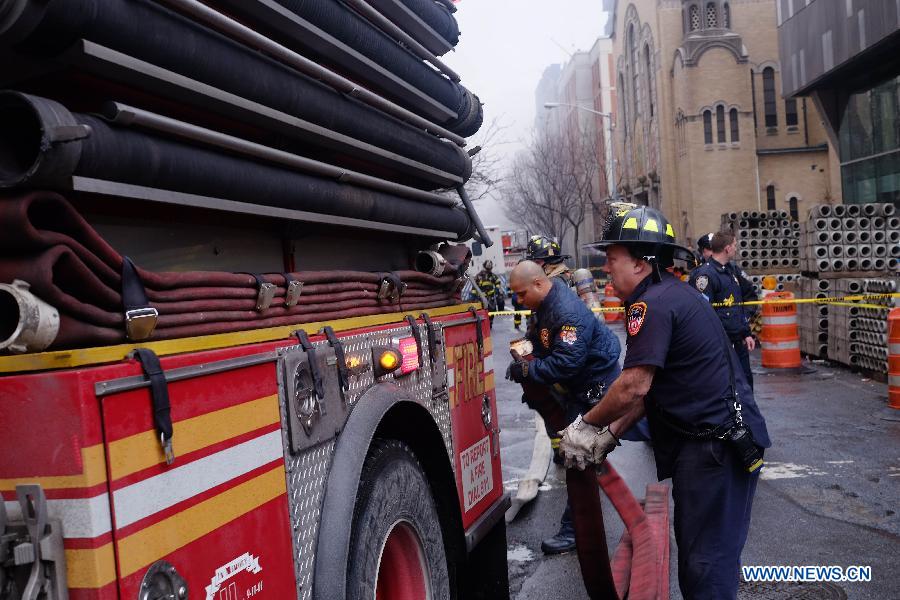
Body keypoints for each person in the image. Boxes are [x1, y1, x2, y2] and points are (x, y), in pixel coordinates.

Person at [558, 206, 770, 600]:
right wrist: (609, 435)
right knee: (698, 562)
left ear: (641, 263)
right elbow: (655, 388)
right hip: (712, 447)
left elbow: (634, 385)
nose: (606, 268)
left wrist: (585, 427)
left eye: (612, 258)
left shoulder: (651, 304)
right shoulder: (669, 294)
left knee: (706, 569)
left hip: (716, 449)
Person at [505, 261, 621, 555]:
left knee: (577, 455)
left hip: (594, 384)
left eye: (520, 294)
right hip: (581, 384)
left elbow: (566, 364)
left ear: (539, 284)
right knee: (579, 454)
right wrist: (524, 352)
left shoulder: (567, 312)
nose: (518, 300)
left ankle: (575, 531)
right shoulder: (544, 304)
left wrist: (529, 372)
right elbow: (540, 338)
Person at [689, 231, 757, 388]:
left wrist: (745, 331)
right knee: (725, 389)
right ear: (727, 248)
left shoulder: (731, 271)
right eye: (734, 245)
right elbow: (702, 314)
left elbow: (739, 304)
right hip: (719, 346)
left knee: (745, 387)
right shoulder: (705, 275)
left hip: (738, 341)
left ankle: (743, 413)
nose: (736, 249)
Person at [474, 260, 504, 326]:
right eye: (488, 268)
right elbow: (474, 287)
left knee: (492, 310)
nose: (489, 269)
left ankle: (490, 322)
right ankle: (485, 323)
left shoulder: (492, 275)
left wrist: (497, 288)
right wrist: (474, 296)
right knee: (483, 311)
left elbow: (497, 282)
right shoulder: (479, 276)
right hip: (481, 298)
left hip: (491, 297)